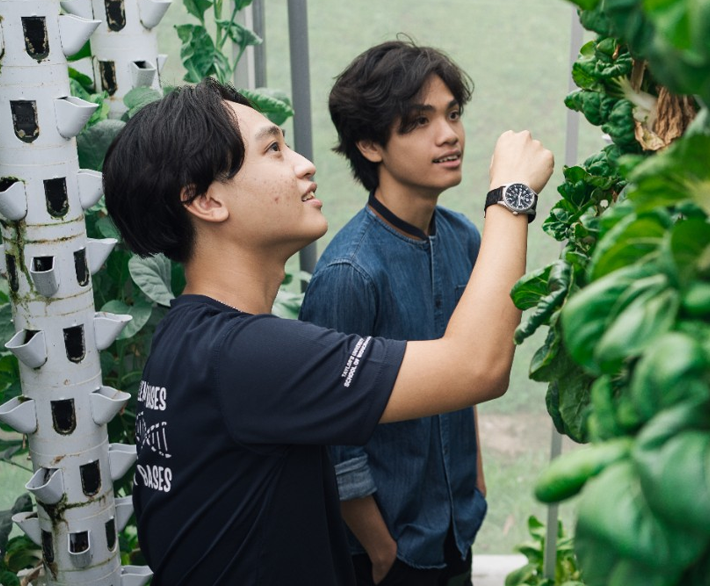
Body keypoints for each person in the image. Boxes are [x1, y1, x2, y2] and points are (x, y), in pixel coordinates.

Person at [101, 78, 552, 585]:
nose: (304, 163)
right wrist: (511, 196)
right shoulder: (247, 356)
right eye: (273, 149)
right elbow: (477, 366)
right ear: (205, 201)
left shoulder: (190, 337)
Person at [299, 41, 501, 586]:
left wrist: (474, 484)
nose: (449, 134)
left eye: (453, 114)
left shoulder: (464, 238)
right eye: (419, 121)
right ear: (370, 144)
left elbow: (471, 370)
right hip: (390, 554)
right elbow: (330, 435)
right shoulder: (350, 272)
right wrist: (380, 547)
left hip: (458, 528)